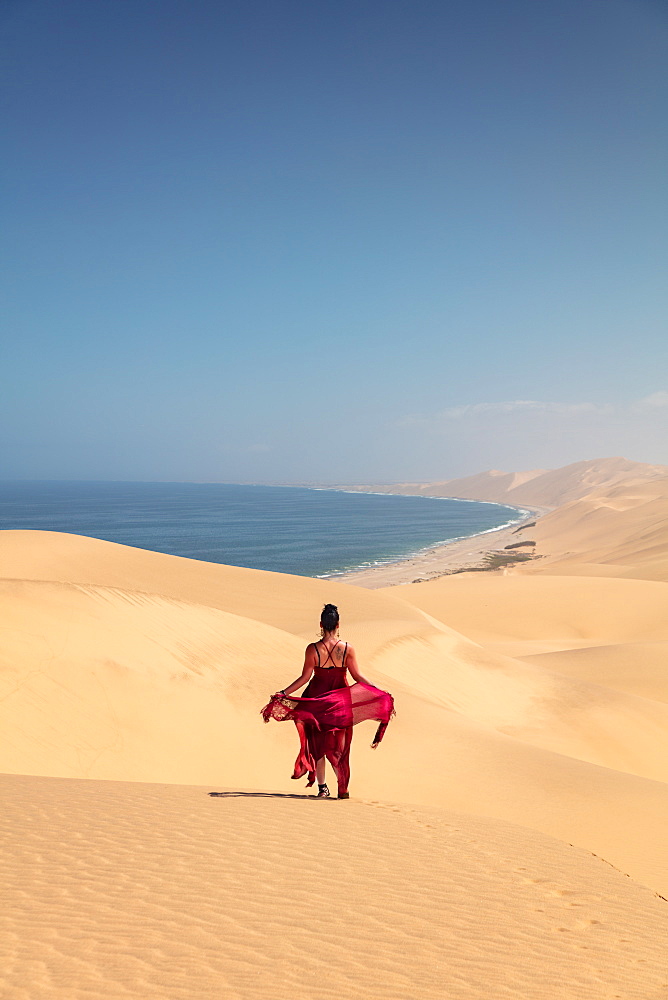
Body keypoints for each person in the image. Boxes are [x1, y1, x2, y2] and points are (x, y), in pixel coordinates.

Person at [261, 603, 394, 799]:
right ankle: (343, 787)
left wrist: (283, 692)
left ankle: (322, 788)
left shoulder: (312, 649)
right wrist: (378, 690)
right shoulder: (347, 648)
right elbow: (358, 676)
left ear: (321, 624)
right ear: (338, 624)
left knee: (318, 744)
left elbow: (304, 678)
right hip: (341, 702)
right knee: (340, 745)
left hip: (316, 700)